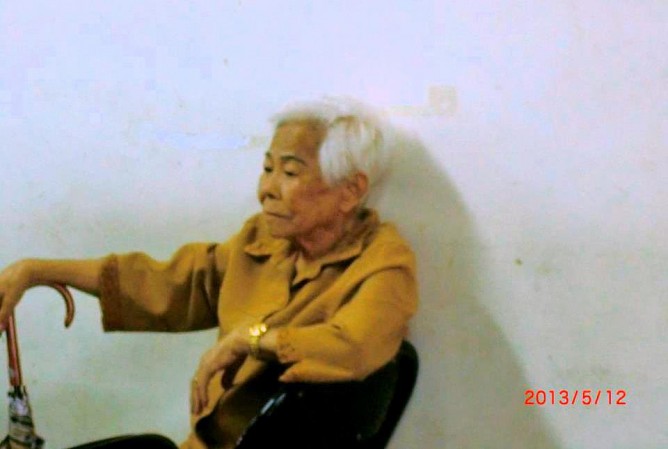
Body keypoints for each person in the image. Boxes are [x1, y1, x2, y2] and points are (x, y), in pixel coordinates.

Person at [0, 98, 418, 449]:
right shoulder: (261, 241)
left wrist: (251, 341)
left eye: (290, 173)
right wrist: (36, 271)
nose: (266, 190)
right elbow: (168, 282)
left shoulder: (383, 263)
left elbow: (355, 345)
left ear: (351, 191)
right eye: (267, 168)